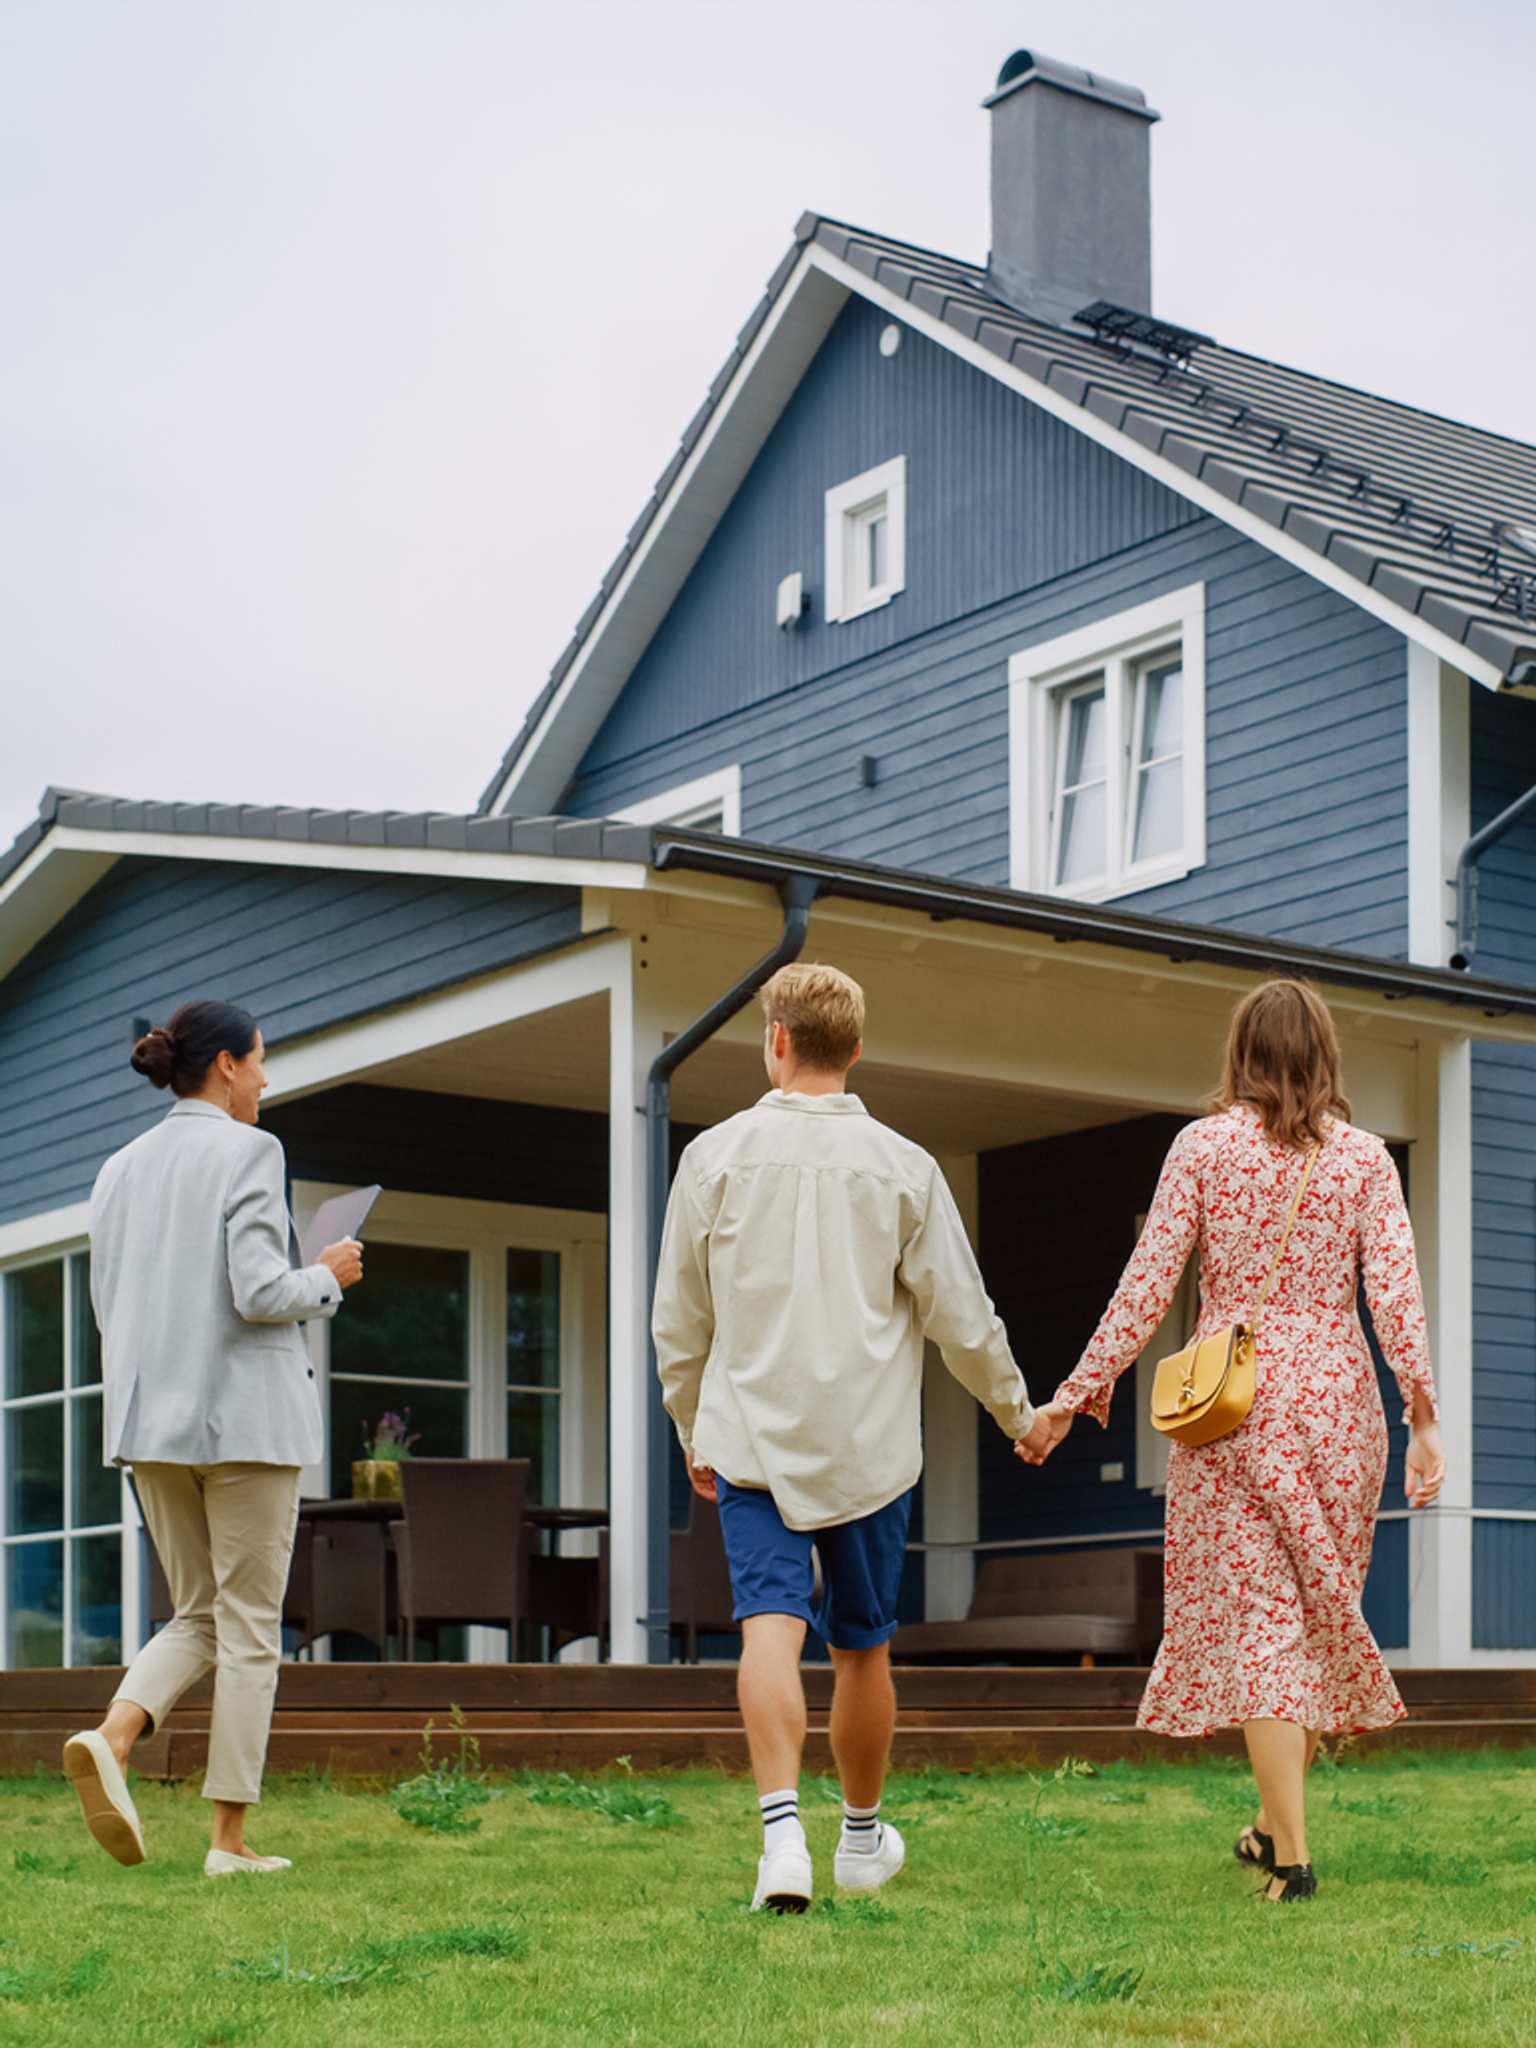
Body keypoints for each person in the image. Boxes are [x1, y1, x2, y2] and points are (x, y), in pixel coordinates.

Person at [1020, 979, 1445, 1904]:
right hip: (1341, 1403)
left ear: (1242, 1053)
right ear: (1325, 1054)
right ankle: (1270, 1828)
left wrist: (1072, 1397)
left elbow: (1146, 1284)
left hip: (1235, 1402)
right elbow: (1397, 1298)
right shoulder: (1367, 1161)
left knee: (1265, 1626)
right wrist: (1423, 1416)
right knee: (1305, 1621)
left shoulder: (1204, 1148)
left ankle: (1292, 1864)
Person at [653, 962, 1044, 1913]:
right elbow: (964, 1319)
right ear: (856, 1050)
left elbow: (680, 1323)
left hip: (750, 1443)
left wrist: (690, 1424)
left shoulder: (713, 1159)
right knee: (862, 1649)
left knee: (770, 1632)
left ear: (776, 1040)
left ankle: (781, 1838)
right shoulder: (906, 1168)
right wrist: (1019, 1416)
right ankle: (860, 1841)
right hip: (870, 1454)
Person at [64, 999, 364, 1877]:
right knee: (248, 1630)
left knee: (196, 1613)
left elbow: (107, 1305)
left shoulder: (118, 1167)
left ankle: (114, 1738)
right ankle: (229, 1843)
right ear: (227, 1064)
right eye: (262, 1061)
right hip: (244, 1424)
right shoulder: (251, 1150)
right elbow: (260, 1290)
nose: (267, 1080)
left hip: (149, 1425)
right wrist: (328, 1274)